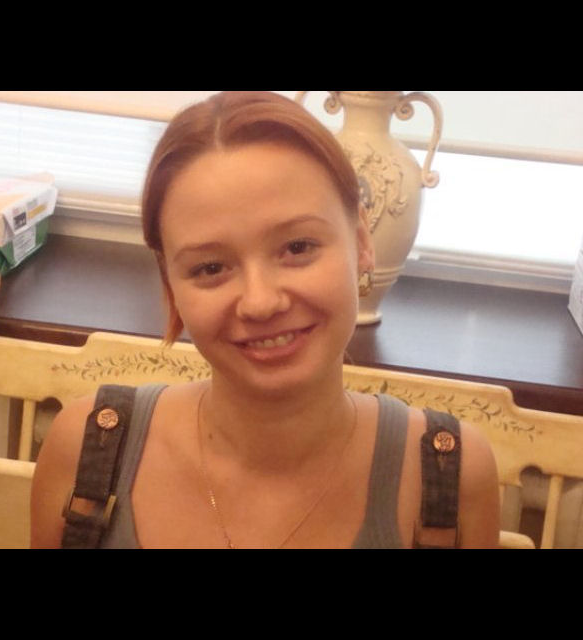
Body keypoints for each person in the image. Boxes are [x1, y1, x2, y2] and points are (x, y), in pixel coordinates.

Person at [31, 91, 500, 549]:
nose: (260, 303)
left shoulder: (450, 477)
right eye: (210, 267)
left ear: (361, 241)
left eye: (297, 247)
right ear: (169, 280)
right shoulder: (88, 451)